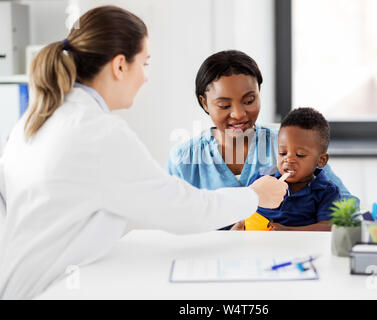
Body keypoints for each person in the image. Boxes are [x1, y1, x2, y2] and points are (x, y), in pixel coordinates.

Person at [0, 6, 287, 299]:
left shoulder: (35, 119)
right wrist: (254, 196)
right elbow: (180, 209)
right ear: (120, 65)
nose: (145, 78)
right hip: (46, 289)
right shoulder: (98, 133)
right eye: (144, 63)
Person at [166, 50, 356, 198]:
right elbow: (169, 222)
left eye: (249, 101)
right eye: (224, 105)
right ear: (204, 103)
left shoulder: (290, 146)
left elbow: (345, 207)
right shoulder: (184, 160)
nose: (239, 114)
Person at [238, 107, 341, 231]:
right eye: (282, 153)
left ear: (321, 160)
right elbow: (244, 213)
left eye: (300, 155)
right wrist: (238, 226)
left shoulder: (327, 191)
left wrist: (288, 231)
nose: (288, 159)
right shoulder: (261, 178)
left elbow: (328, 227)